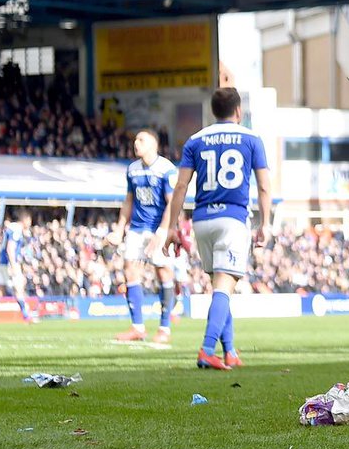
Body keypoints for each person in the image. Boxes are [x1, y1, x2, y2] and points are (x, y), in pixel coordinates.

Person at [164, 88, 272, 370]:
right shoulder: (252, 139)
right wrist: (266, 223)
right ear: (238, 111)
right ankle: (207, 349)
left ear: (214, 111)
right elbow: (263, 185)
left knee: (219, 287)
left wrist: (172, 227)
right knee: (224, 287)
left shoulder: (195, 140)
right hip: (232, 220)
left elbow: (180, 186)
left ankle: (230, 351)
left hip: (202, 221)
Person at [111, 129, 178, 343]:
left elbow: (172, 203)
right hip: (137, 229)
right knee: (130, 270)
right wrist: (120, 228)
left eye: (141, 140)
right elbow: (129, 200)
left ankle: (164, 329)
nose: (136, 143)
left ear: (153, 145)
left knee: (163, 273)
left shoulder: (166, 169)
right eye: (135, 140)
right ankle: (137, 327)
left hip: (158, 228)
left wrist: (163, 231)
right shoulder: (132, 170)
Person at [0, 210, 35, 323]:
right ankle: (26, 316)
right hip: (9, 264)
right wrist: (13, 265)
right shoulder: (17, 229)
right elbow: (10, 248)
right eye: (30, 220)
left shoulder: (11, 228)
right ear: (25, 220)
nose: (30, 223)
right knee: (19, 288)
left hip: (2, 263)